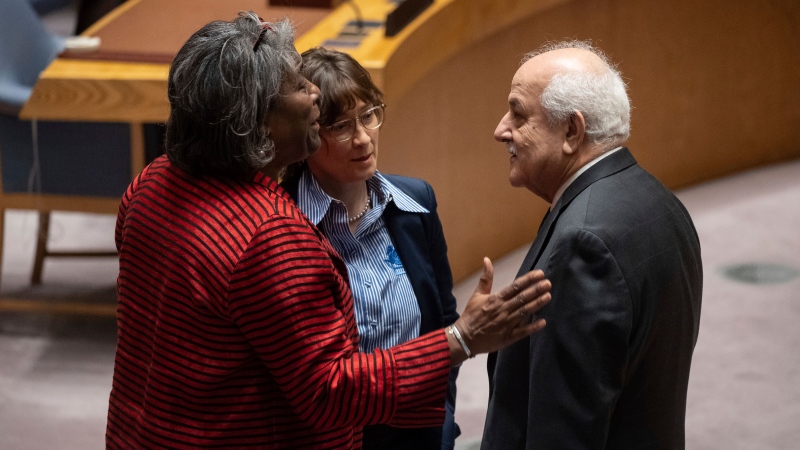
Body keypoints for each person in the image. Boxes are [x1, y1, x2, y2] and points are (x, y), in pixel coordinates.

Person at [105, 12, 553, 449]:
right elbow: (331, 391)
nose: (314, 92)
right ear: (258, 125)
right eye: (297, 86)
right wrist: (463, 338)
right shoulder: (273, 235)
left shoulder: (151, 183)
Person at [482, 40, 703, 449]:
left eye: (518, 112)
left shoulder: (583, 246)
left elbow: (564, 432)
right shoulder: (661, 202)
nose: (501, 130)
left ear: (572, 130)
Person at [281, 47, 459, 450]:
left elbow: (444, 317)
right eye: (342, 126)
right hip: (336, 437)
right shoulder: (284, 223)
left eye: (369, 115)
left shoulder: (417, 202)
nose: (363, 138)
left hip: (421, 432)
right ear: (309, 133)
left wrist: (442, 413)